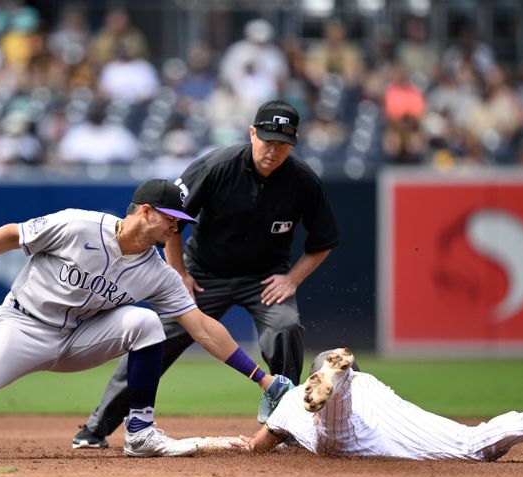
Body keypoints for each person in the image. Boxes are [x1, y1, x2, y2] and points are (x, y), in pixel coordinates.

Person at [0, 179, 294, 459]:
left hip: (81, 338)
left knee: (145, 325)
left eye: (181, 222)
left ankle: (140, 433)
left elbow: (201, 326)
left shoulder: (158, 272)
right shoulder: (78, 225)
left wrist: (262, 379)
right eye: (171, 219)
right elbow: (14, 234)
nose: (175, 229)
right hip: (23, 325)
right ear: (144, 210)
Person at [72, 99, 339, 449]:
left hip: (264, 279)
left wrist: (293, 279)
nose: (273, 151)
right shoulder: (217, 166)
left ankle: (284, 426)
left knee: (285, 329)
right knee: (156, 339)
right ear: (252, 133)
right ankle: (96, 428)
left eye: (283, 144)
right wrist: (178, 272)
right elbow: (172, 218)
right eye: (267, 140)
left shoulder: (303, 181)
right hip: (203, 275)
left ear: (294, 143)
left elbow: (325, 240)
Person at [234, 348, 523, 459]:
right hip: (389, 422)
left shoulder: (290, 402)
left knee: (335, 435)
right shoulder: (375, 382)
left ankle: (337, 381)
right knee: (471, 444)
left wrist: (197, 446)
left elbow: (254, 448)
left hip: (343, 433)